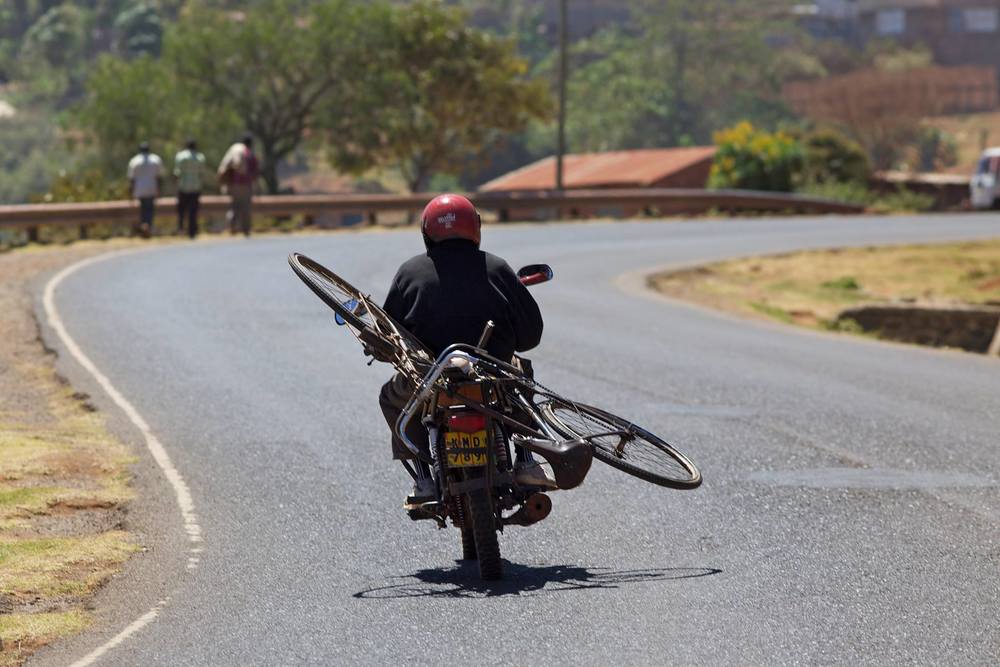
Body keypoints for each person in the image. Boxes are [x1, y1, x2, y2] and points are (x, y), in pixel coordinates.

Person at [378, 194, 546, 502]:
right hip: (494, 374)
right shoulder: (497, 268)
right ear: (475, 228)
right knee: (523, 378)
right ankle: (525, 461)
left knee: (391, 397)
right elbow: (530, 337)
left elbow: (389, 335)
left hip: (430, 378)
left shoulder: (409, 272)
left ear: (427, 233)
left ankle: (424, 479)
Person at [217, 133, 259, 237]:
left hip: (234, 184)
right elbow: (255, 171)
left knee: (234, 206)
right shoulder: (249, 153)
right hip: (245, 184)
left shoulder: (235, 150)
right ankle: (246, 230)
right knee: (245, 207)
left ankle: (232, 227)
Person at [126, 142, 163, 238]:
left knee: (142, 209)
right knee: (150, 210)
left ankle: (144, 226)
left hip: (139, 189)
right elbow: (158, 177)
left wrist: (130, 191)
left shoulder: (134, 161)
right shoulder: (155, 160)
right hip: (151, 188)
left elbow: (131, 178)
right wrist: (159, 190)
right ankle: (148, 226)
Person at [173, 139, 206, 239]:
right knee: (193, 210)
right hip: (195, 187)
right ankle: (192, 231)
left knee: (181, 210)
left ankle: (181, 229)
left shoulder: (181, 157)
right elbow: (202, 173)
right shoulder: (200, 157)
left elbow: (177, 173)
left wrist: (176, 184)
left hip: (183, 187)